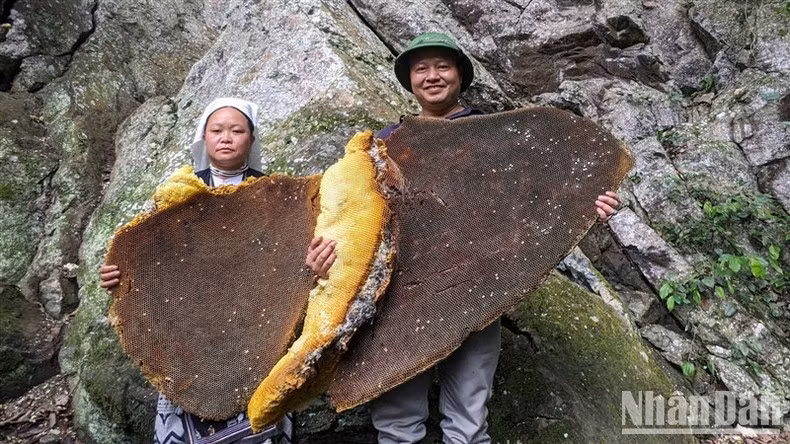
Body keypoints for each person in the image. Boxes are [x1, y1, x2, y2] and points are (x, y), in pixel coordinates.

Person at [305, 32, 622, 444]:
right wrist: (322, 259)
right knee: (397, 418)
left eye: (442, 66)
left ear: (459, 75)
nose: (432, 76)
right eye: (421, 69)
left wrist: (590, 205)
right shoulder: (385, 144)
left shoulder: (493, 136)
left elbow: (538, 196)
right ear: (409, 80)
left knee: (468, 419)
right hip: (398, 298)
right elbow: (352, 213)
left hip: (476, 293)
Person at [99, 98, 293, 444]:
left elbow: (289, 260)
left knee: (259, 418)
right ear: (203, 137)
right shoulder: (178, 193)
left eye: (237, 130)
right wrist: (118, 275)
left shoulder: (275, 194)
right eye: (217, 130)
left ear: (251, 138)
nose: (226, 138)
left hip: (257, 327)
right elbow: (149, 254)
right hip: (188, 329)